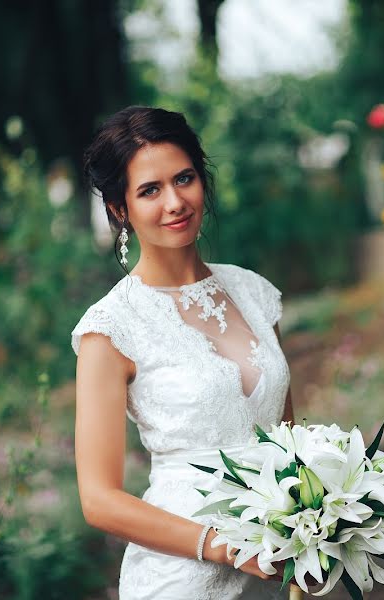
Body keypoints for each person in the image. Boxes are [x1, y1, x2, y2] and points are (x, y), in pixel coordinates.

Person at [71, 106, 296, 599]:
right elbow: (99, 500)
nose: (175, 202)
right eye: (150, 190)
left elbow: (290, 440)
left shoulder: (255, 292)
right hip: (182, 576)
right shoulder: (110, 328)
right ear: (118, 209)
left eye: (184, 178)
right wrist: (224, 547)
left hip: (276, 570)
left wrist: (317, 530)